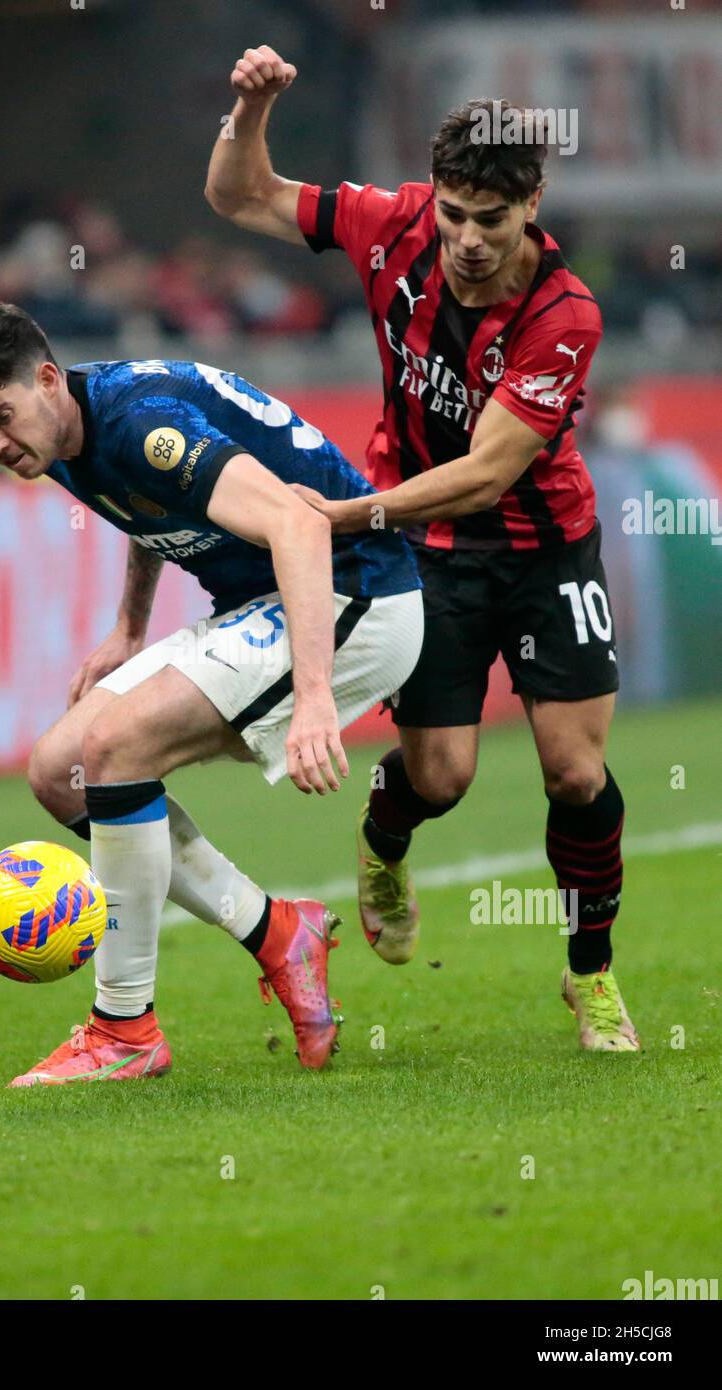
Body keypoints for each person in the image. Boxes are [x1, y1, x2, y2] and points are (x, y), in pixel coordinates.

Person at [205, 46, 639, 1052]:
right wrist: (250, 108)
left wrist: (336, 517)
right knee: (438, 776)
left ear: (533, 203)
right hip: (429, 553)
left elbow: (489, 474)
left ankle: (592, 975)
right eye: (453, 215)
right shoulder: (388, 222)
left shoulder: (564, 314)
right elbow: (240, 196)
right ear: (433, 197)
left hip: (544, 550)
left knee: (574, 773)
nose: (467, 240)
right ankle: (384, 839)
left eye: (491, 220)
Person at [0, 299, 423, 1083]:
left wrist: (317, 694)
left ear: (48, 379)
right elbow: (144, 509)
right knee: (61, 770)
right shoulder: (60, 430)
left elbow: (300, 526)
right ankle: (278, 933)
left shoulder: (140, 424)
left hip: (355, 597)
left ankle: (123, 1029)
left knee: (116, 747)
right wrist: (131, 625)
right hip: (269, 602)